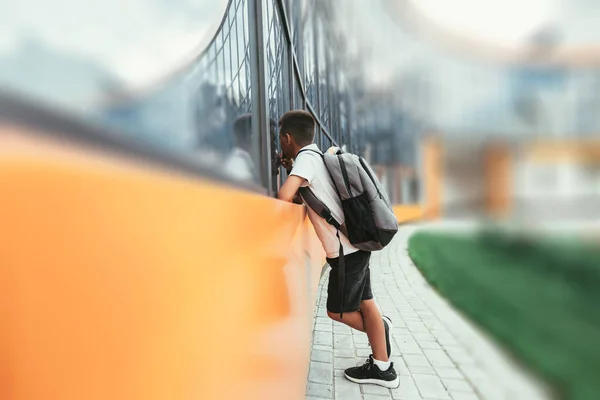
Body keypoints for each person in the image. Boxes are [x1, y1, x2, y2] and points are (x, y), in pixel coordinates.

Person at [276, 110, 399, 389]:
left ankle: (380, 330)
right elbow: (307, 197)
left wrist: (291, 172)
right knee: (366, 302)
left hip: (345, 254)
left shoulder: (306, 159)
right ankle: (383, 367)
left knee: (337, 311)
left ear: (287, 138)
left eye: (279, 139)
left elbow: (285, 196)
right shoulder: (315, 157)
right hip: (355, 248)